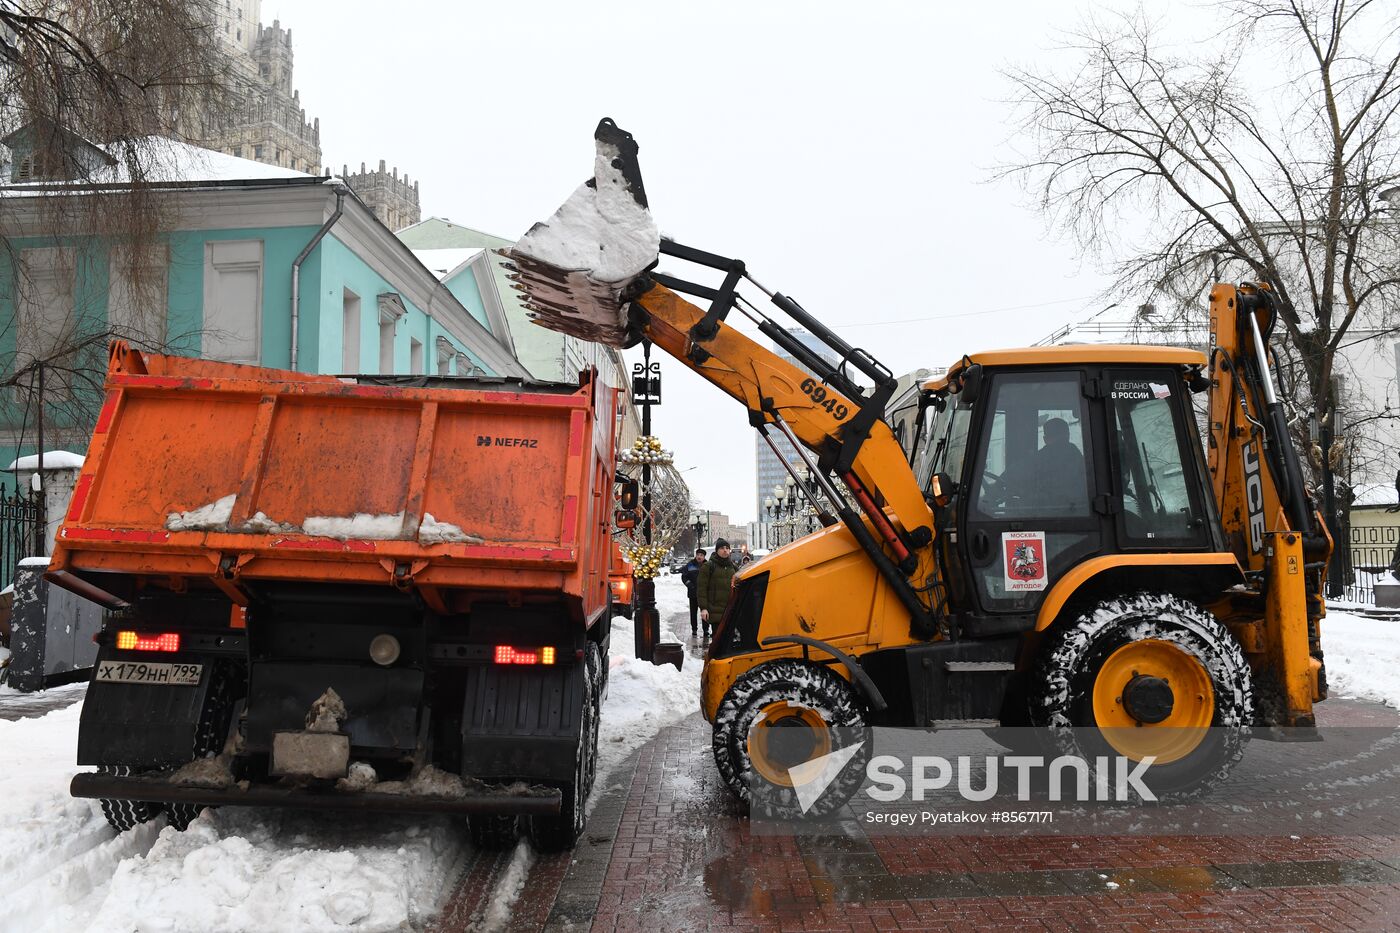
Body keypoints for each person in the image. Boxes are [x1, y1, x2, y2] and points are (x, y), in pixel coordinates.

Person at [1035, 417, 1086, 509]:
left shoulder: (1038, 458)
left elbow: (1011, 477)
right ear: (1068, 435)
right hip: (1078, 511)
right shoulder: (1077, 456)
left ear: (1045, 439)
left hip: (1045, 513)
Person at [696, 538, 737, 642]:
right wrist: (703, 608)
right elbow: (701, 589)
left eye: (727, 548)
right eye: (722, 548)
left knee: (729, 640)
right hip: (715, 611)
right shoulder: (708, 566)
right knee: (718, 639)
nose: (725, 550)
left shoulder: (733, 567)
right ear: (717, 550)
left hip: (730, 610)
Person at [681, 548, 706, 638]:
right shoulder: (690, 565)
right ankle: (694, 629)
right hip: (693, 593)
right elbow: (684, 577)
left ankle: (706, 630)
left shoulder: (707, 565)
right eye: (698, 555)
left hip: (704, 594)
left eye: (701, 555)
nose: (699, 557)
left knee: (704, 612)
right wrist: (690, 585)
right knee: (693, 612)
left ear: (704, 557)